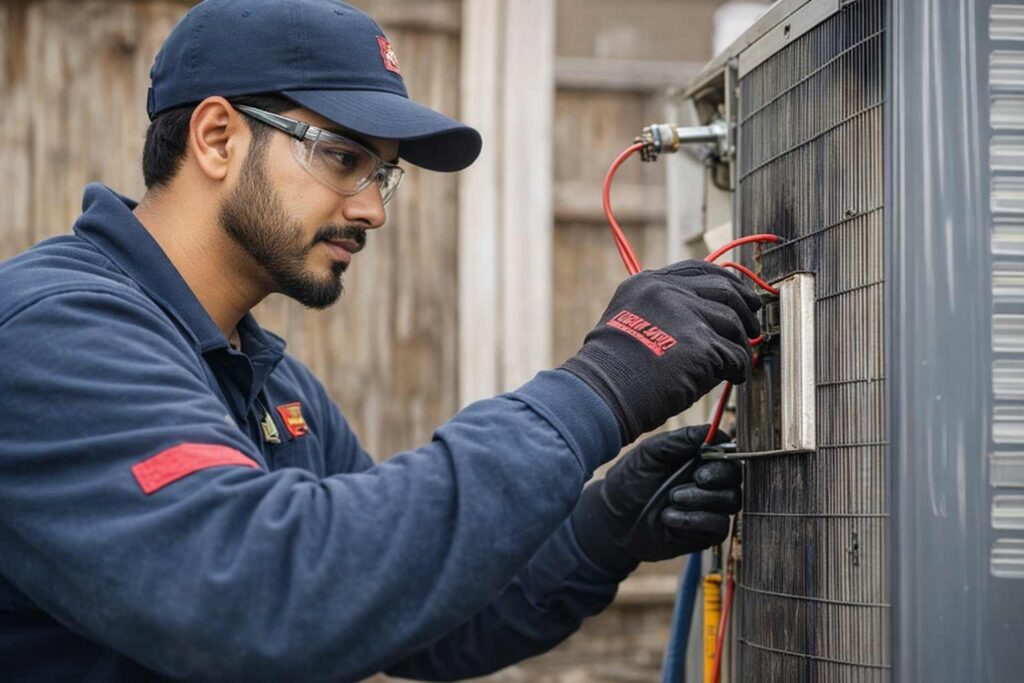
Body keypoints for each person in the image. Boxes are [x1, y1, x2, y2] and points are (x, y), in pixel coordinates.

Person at [0, 1, 760, 680]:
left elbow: (410, 618)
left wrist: (601, 527)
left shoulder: (272, 384)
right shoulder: (55, 333)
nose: (373, 210)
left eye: (383, 176)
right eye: (342, 157)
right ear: (218, 137)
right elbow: (268, 596)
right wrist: (597, 390)